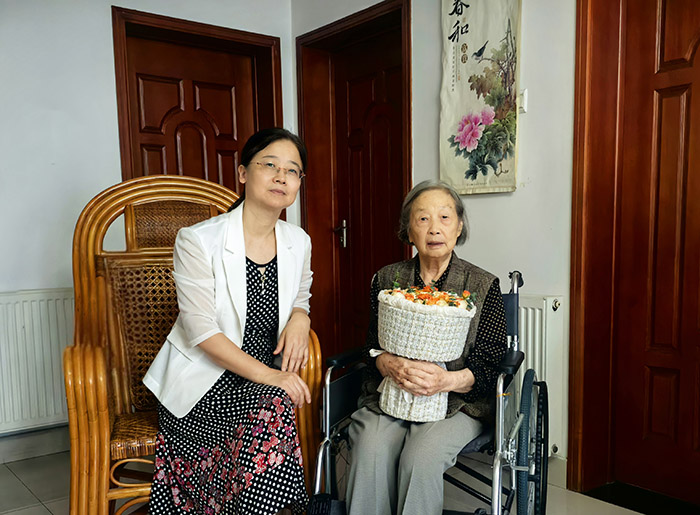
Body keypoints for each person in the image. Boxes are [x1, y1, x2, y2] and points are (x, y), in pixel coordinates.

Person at [143, 128, 312, 515]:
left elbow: (300, 295)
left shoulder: (298, 241)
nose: (281, 176)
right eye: (270, 165)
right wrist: (272, 376)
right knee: (274, 406)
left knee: (271, 407)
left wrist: (300, 317)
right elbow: (201, 331)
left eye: (292, 170)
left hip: (261, 382)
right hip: (205, 385)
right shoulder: (198, 240)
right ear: (242, 173)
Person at [346, 180, 507, 515]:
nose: (434, 228)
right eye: (422, 219)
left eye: (444, 217)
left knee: (420, 456)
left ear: (459, 226)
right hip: (391, 396)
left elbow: (491, 366)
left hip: (458, 404)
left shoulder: (483, 285)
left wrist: (445, 381)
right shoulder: (387, 280)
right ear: (408, 230)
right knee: (370, 449)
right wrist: (387, 363)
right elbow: (371, 347)